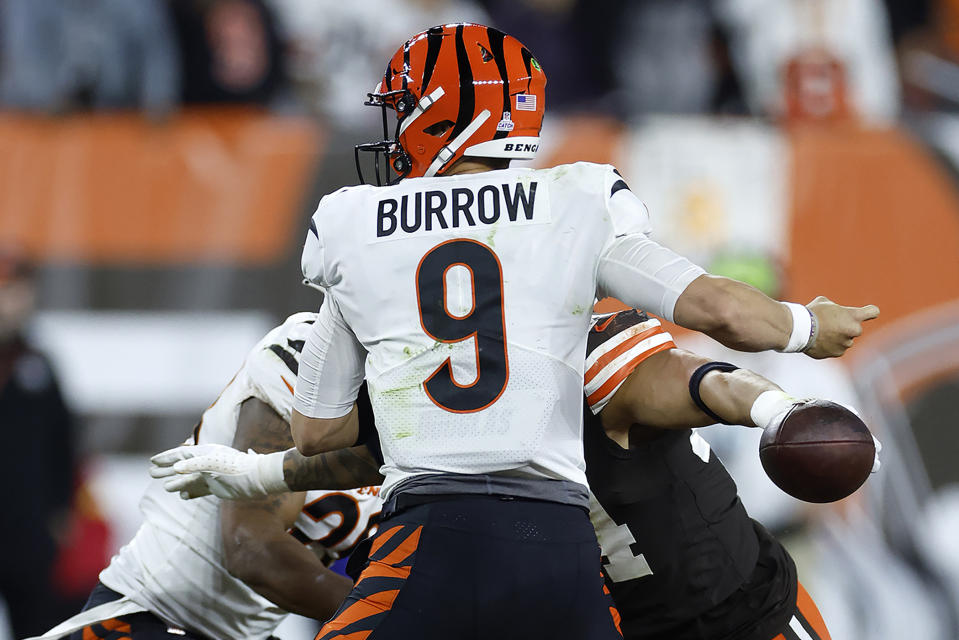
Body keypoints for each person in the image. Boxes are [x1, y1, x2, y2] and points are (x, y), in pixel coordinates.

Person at [277, 22, 875, 638]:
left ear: (441, 117)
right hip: (561, 546)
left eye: (404, 109)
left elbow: (315, 427)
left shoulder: (352, 224)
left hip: (434, 531)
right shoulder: (576, 199)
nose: (394, 127)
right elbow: (715, 310)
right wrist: (804, 326)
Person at [155, 306, 863, 639]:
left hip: (730, 614)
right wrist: (260, 476)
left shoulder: (584, 356)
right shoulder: (446, 383)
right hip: (617, 623)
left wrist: (779, 408)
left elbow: (702, 380)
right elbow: (371, 454)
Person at [26, 313, 382, 640]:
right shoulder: (314, 356)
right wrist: (394, 618)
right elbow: (252, 550)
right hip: (153, 615)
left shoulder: (426, 411)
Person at [0, 248, 78, 638]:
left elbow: (63, 445)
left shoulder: (40, 367)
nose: (7, 302)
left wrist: (62, 512)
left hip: (27, 537)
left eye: (15, 290)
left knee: (36, 627)